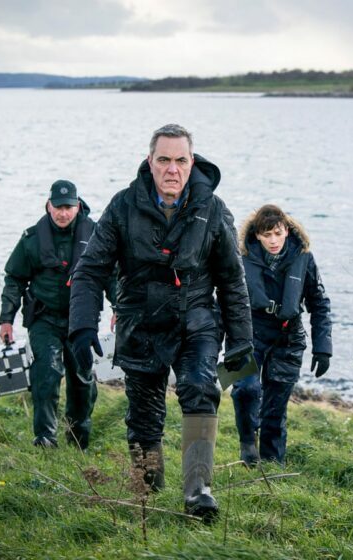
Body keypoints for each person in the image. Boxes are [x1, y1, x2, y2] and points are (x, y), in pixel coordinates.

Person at [68, 124, 252, 520]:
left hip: (196, 321)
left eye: (181, 160)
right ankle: (147, 487)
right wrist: (82, 325)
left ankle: (198, 492)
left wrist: (241, 339)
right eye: (164, 159)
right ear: (149, 162)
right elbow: (90, 269)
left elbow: (232, 279)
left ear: (192, 163)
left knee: (201, 387)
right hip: (140, 322)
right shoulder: (122, 206)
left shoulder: (213, 209)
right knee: (144, 415)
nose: (172, 169)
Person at [0, 180, 116, 450]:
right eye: (58, 207)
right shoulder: (31, 239)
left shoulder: (95, 235)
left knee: (83, 378)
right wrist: (6, 320)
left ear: (77, 206)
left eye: (68, 207)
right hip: (45, 318)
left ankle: (78, 438)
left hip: (81, 320)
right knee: (46, 374)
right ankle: (45, 438)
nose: (63, 213)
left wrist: (119, 308)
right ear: (48, 206)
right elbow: (14, 279)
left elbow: (111, 275)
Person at [232, 205, 332, 467]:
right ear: (257, 235)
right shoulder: (241, 259)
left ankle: (272, 463)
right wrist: (215, 346)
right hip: (249, 333)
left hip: (288, 338)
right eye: (267, 235)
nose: (273, 241)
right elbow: (226, 301)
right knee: (244, 389)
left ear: (286, 230)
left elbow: (319, 303)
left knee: (275, 407)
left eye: (277, 233)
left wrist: (323, 348)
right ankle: (247, 442)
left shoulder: (304, 258)